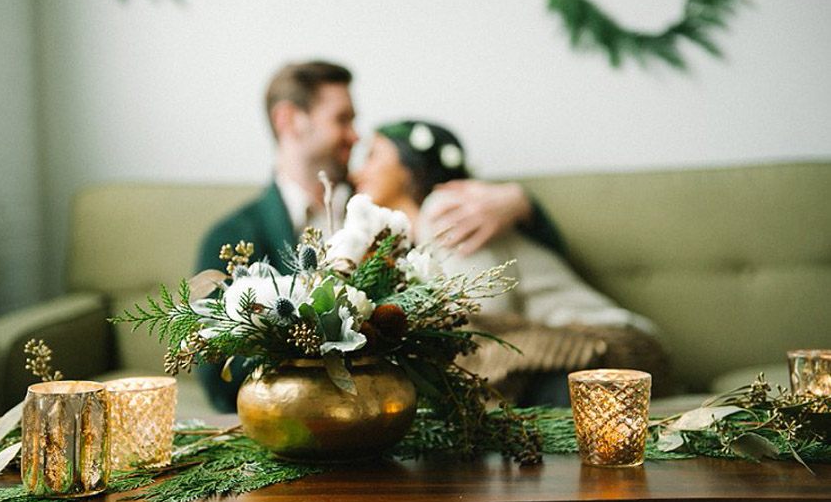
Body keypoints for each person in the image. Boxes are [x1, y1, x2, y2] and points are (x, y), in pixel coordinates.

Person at [196, 61, 559, 411]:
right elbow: (216, 370)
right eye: (343, 119)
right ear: (289, 120)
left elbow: (527, 266)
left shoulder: (388, 201)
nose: (355, 136)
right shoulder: (232, 235)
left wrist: (522, 203)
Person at [352, 120, 663, 405]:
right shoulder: (415, 241)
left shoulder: (448, 209)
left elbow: (483, 316)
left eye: (373, 155)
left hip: (608, 345)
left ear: (410, 168)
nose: (357, 171)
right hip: (557, 356)